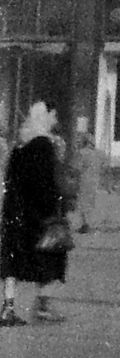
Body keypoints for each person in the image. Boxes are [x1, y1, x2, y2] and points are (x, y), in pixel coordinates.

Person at [0, 101, 70, 325]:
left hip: (14, 212)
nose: (55, 120)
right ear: (46, 116)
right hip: (38, 215)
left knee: (12, 260)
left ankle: (7, 308)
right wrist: (57, 207)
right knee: (53, 256)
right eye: (54, 114)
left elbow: (10, 178)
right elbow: (46, 184)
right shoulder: (44, 146)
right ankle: (43, 305)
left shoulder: (20, 145)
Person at [69, 127, 103, 235]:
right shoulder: (98, 153)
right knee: (91, 202)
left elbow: (77, 168)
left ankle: (85, 224)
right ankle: (92, 224)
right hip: (95, 179)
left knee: (83, 203)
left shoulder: (82, 153)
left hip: (84, 180)